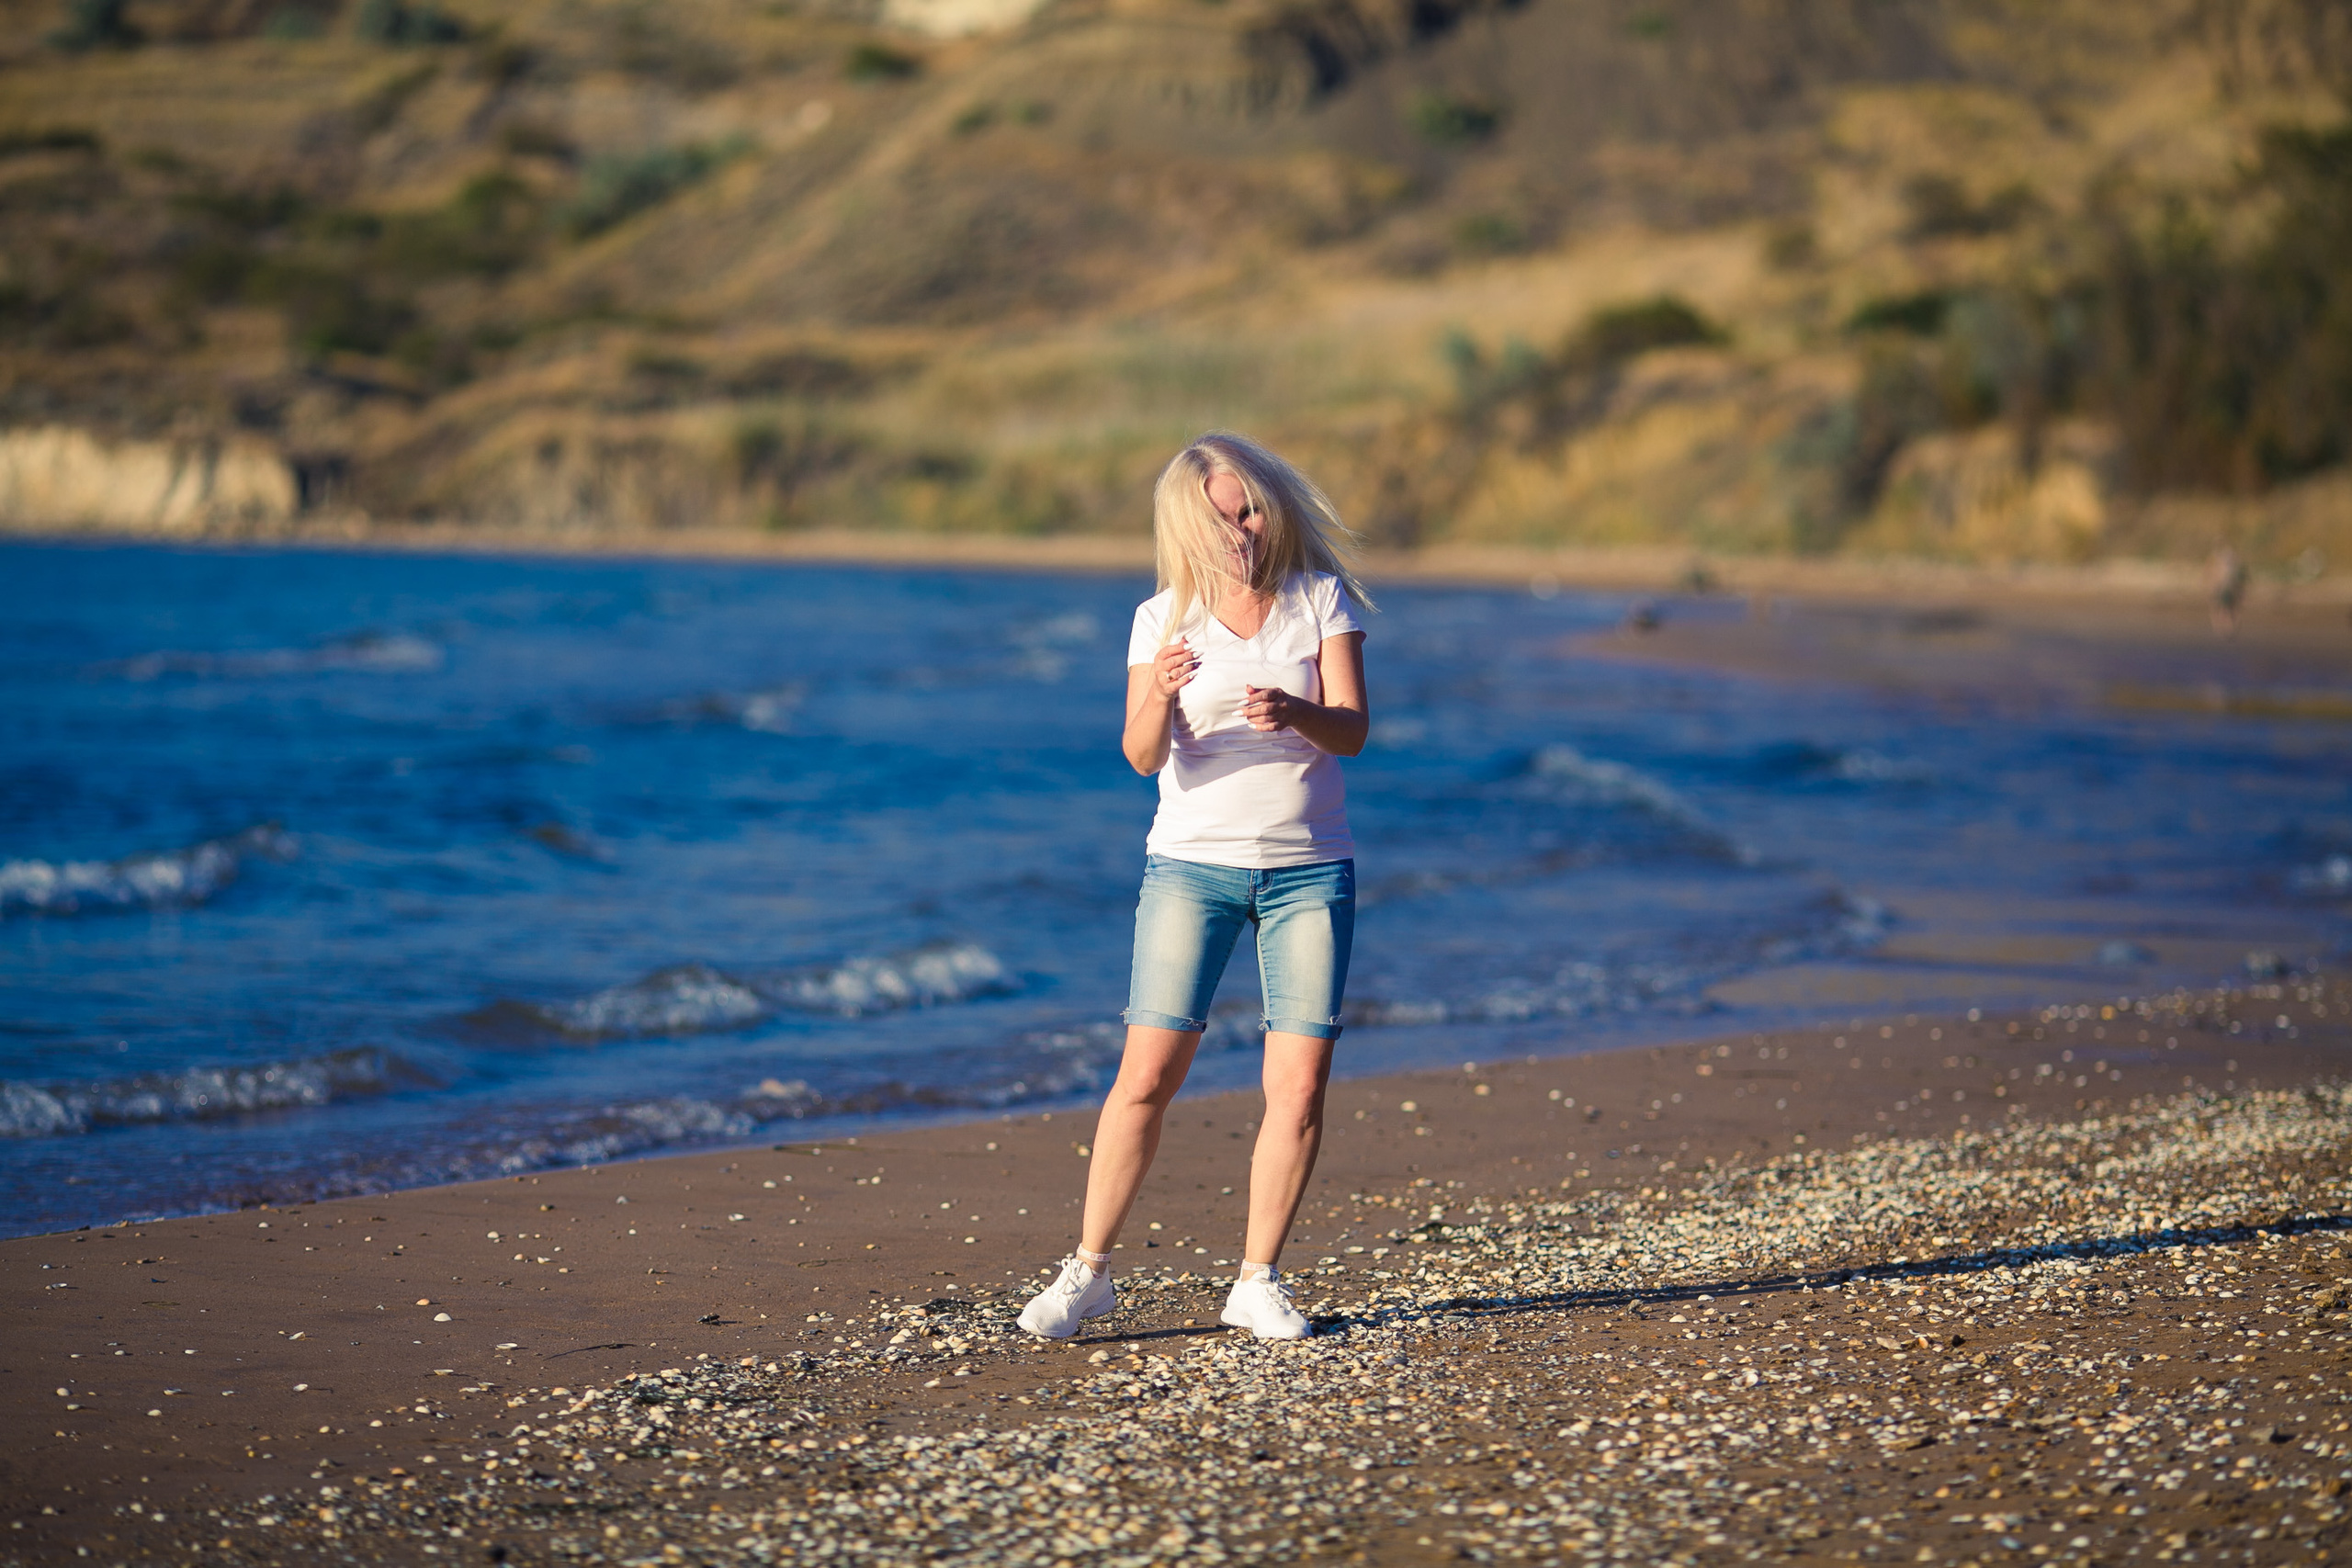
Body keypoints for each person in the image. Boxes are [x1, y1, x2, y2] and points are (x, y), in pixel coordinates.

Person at [1018, 432, 1374, 1342]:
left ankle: (1256, 1282)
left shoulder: (1317, 600)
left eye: (1249, 510)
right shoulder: (1161, 619)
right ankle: (1089, 1272)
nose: (1240, 531)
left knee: (1297, 1086)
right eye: (1219, 518)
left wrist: (1296, 711)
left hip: (1307, 871)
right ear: (1187, 525)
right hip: (1190, 870)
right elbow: (1140, 757)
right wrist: (1161, 696)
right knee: (1146, 1075)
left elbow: (1353, 733)